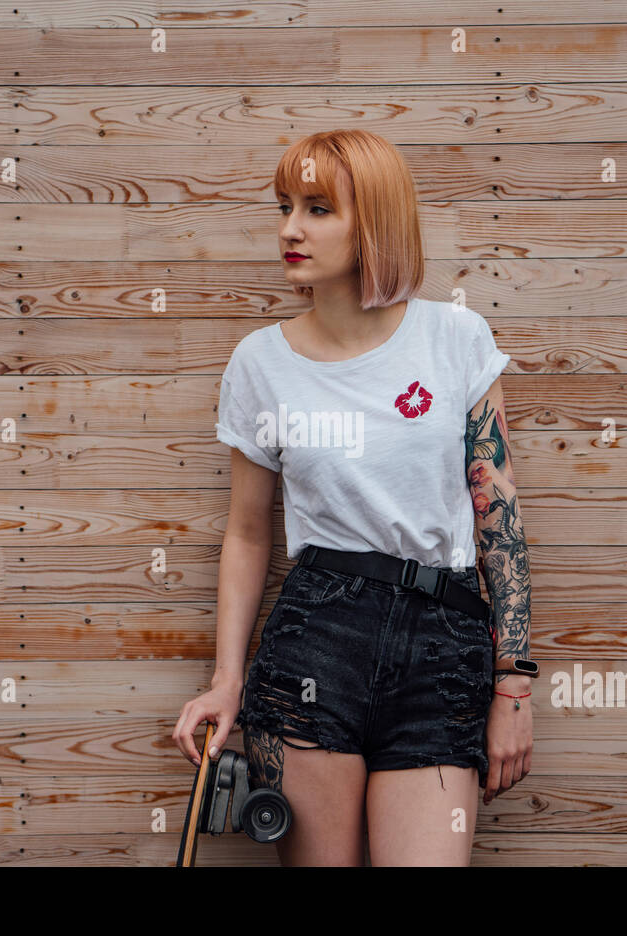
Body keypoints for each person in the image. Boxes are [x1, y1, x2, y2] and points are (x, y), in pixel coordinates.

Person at [172, 129, 534, 866]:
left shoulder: (456, 337)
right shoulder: (259, 363)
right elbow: (247, 535)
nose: (289, 229)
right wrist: (226, 680)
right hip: (316, 637)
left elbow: (497, 514)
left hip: (444, 641)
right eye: (283, 206)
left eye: (316, 208)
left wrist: (515, 686)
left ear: (372, 219)